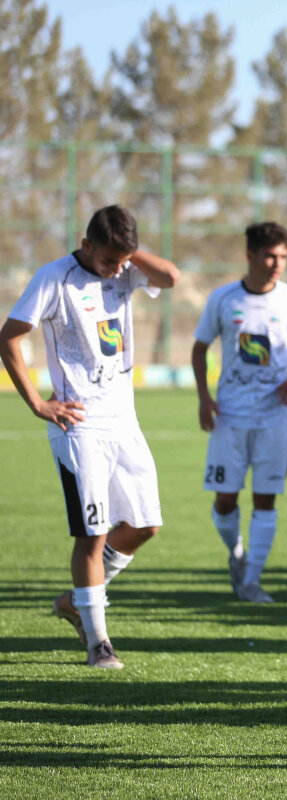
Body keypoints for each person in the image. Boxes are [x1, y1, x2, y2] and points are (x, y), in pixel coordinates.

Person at [0, 205, 180, 669]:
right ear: (86, 245)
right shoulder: (54, 278)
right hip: (79, 427)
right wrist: (37, 403)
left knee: (145, 525)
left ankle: (75, 601)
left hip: (125, 423)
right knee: (93, 535)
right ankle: (98, 642)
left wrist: (127, 256)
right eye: (107, 260)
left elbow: (171, 277)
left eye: (123, 261)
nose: (116, 270)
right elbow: (9, 336)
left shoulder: (126, 270)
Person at [192, 222, 287, 604]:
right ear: (250, 255)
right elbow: (199, 348)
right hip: (230, 416)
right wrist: (204, 398)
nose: (277, 263)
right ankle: (236, 553)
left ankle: (251, 580)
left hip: (274, 417)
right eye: (269, 255)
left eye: (283, 256)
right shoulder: (223, 298)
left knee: (266, 498)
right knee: (225, 499)